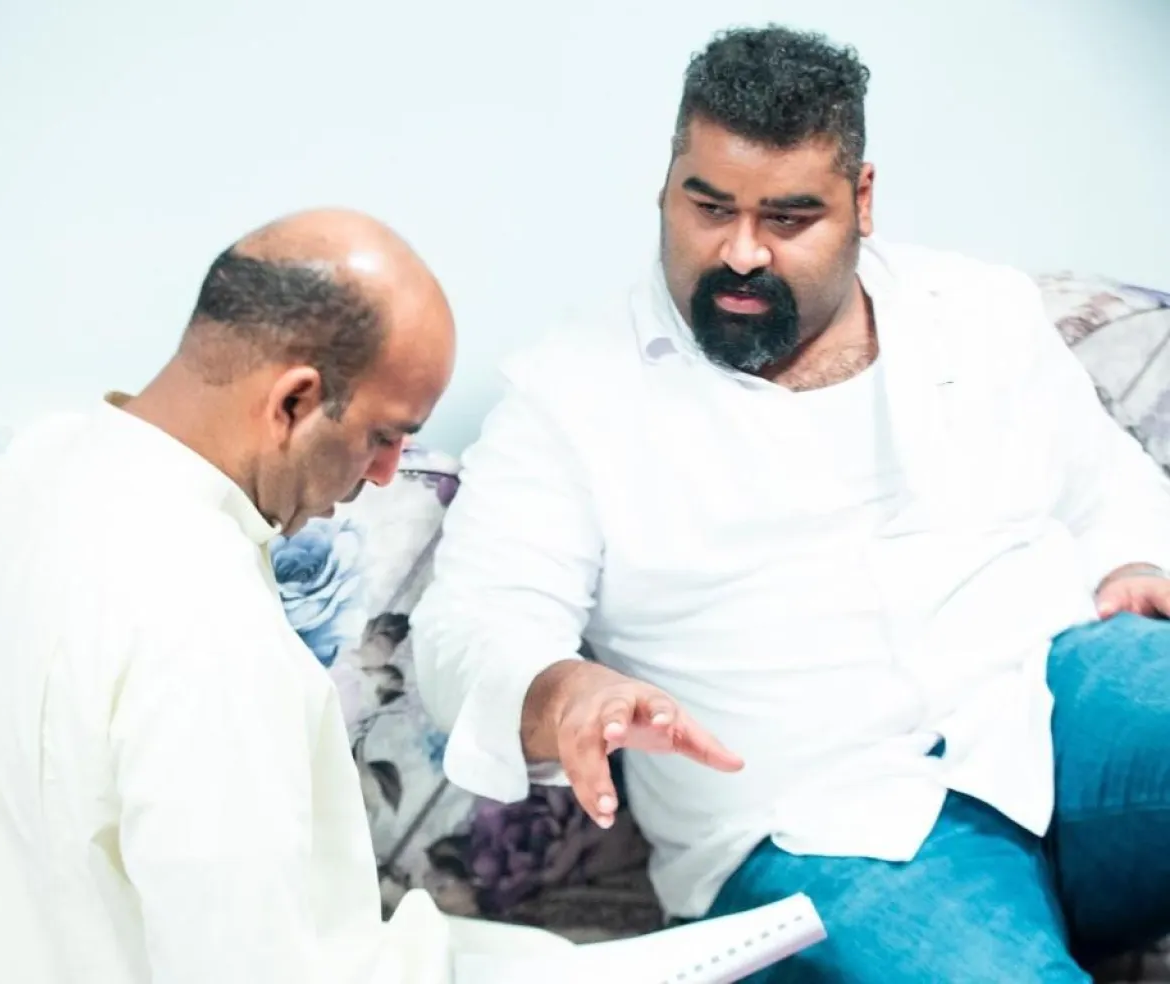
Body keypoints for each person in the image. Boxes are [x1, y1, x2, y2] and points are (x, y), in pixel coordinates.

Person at [410, 25, 1170, 982]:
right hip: (815, 827)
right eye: (708, 207)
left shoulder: (979, 308)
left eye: (788, 218)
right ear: (665, 188)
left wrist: (1137, 561)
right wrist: (564, 691)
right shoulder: (569, 397)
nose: (740, 252)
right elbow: (472, 623)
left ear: (862, 201)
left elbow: (1108, 483)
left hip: (1048, 706)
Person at [0, 208, 568, 984]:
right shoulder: (208, 628)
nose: (388, 472)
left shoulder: (30, 471)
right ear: (293, 402)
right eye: (383, 436)